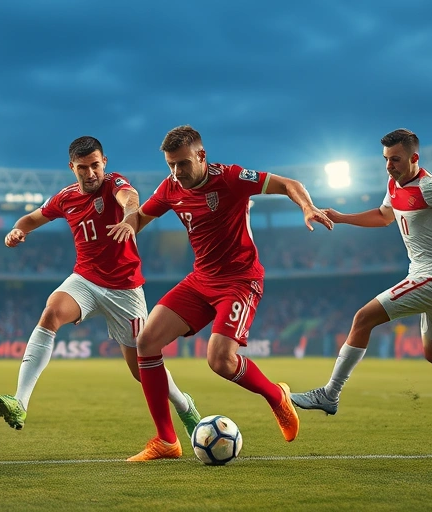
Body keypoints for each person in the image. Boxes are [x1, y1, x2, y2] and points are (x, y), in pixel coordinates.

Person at [125, 125, 334, 461]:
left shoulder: (233, 178)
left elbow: (289, 184)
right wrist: (124, 224)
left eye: (182, 163)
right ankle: (166, 440)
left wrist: (306, 207)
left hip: (240, 280)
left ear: (201, 155)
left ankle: (276, 398)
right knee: (146, 343)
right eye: (170, 165)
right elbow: (139, 220)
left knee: (219, 360)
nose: (176, 172)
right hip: (200, 279)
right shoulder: (169, 188)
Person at [290, 128, 432, 432]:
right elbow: (383, 216)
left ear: (414, 158)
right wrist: (342, 217)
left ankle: (330, 394)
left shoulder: (430, 187)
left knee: (363, 318)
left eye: (396, 159)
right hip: (424, 275)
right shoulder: (393, 184)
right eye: (386, 159)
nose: (389, 165)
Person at [0, 136, 201, 436]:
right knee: (51, 312)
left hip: (125, 289)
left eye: (95, 166)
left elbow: (131, 198)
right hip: (85, 280)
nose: (90, 174)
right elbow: (32, 219)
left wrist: (130, 219)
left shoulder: (114, 183)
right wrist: (16, 231)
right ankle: (20, 402)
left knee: (141, 370)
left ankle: (184, 406)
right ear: (71, 168)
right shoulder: (65, 198)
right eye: (82, 168)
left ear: (104, 163)